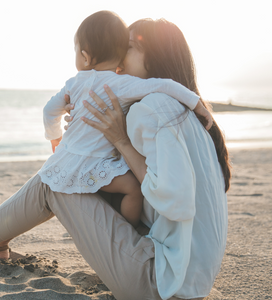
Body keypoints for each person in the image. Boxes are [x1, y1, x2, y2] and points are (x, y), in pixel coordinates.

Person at [0, 16, 230, 300]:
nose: (119, 58)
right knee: (79, 173)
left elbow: (175, 201)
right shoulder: (182, 114)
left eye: (129, 47)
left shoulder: (153, 110)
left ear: (154, 55)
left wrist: (119, 139)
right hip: (186, 278)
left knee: (58, 179)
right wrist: (94, 132)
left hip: (160, 283)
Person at [41, 10, 209, 228]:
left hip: (67, 160)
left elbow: (48, 111)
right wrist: (197, 104)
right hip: (97, 166)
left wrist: (55, 138)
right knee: (133, 189)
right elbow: (164, 84)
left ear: (84, 56)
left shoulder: (72, 84)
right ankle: (127, 228)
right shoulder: (123, 85)